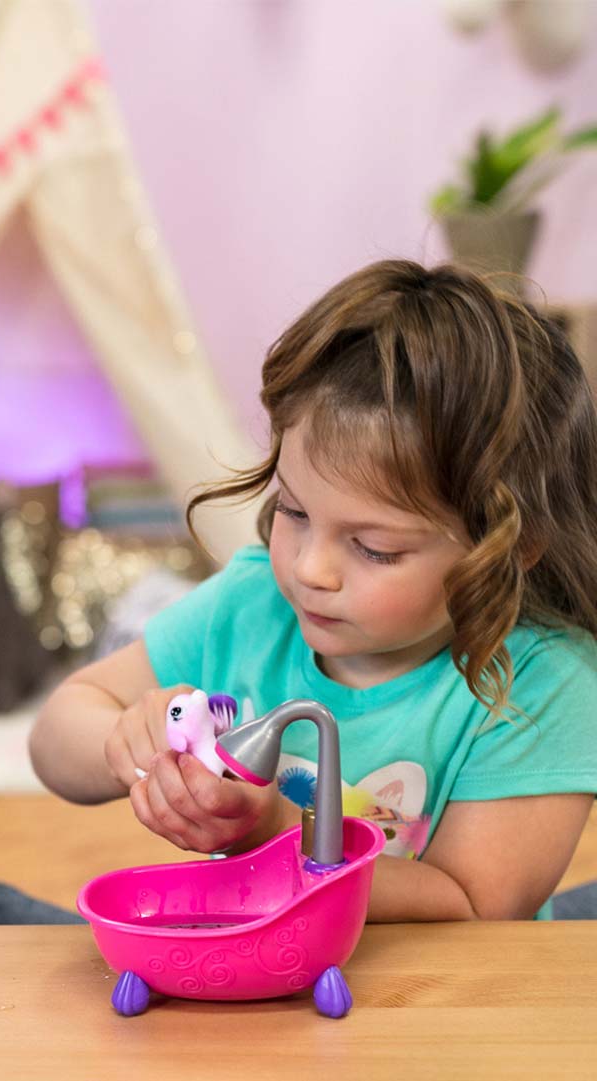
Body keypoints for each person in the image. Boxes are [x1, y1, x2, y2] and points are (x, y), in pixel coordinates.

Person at [30, 259, 597, 922]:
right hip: (257, 972)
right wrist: (126, 745)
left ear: (512, 547)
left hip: (438, 986)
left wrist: (275, 828)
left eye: (374, 547)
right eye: (294, 511)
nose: (310, 570)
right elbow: (55, 733)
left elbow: (474, 903)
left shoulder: (542, 682)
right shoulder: (251, 605)